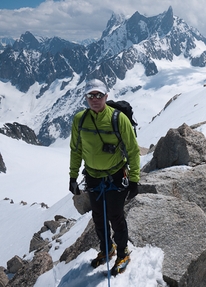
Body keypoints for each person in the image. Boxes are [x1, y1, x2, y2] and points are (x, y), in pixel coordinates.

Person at [68, 79, 140, 275]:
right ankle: (107, 249)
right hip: (92, 176)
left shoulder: (118, 119)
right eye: (90, 95)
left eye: (99, 95)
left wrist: (134, 179)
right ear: (85, 98)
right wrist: (72, 177)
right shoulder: (80, 120)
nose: (95, 99)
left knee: (115, 216)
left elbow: (133, 151)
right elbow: (76, 150)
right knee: (98, 216)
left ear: (106, 97)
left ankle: (123, 252)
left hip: (116, 175)